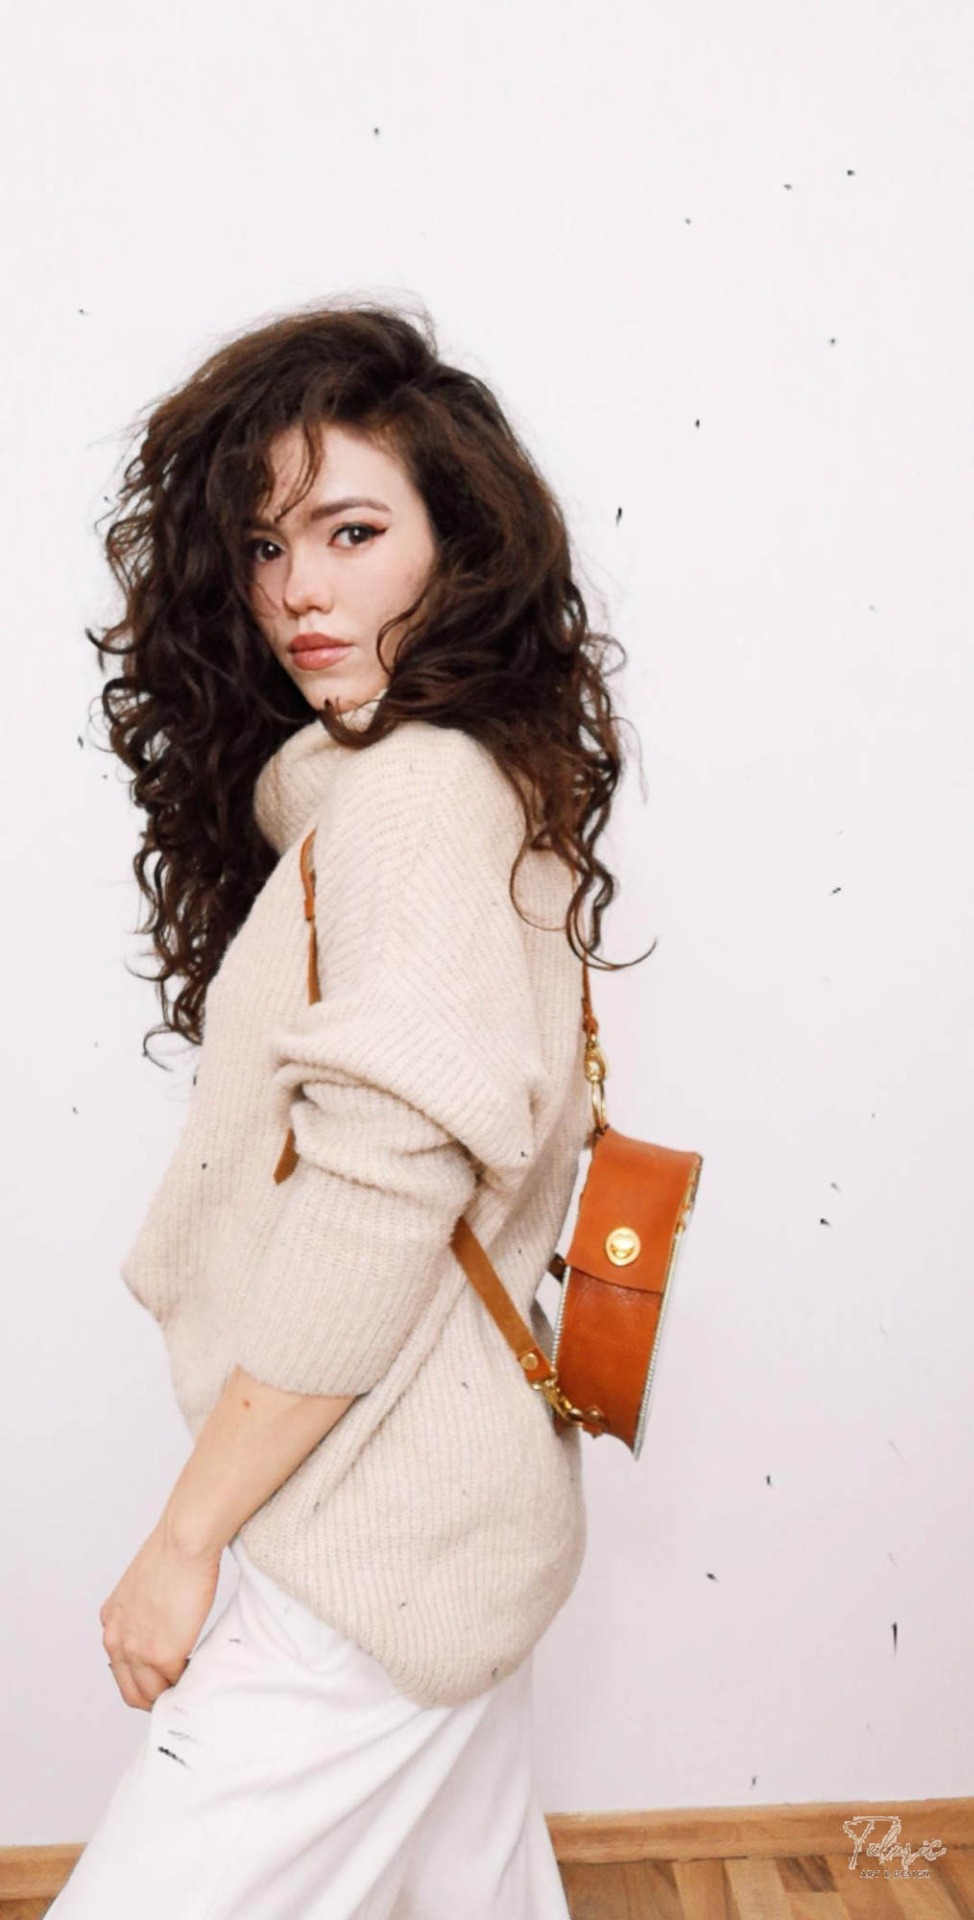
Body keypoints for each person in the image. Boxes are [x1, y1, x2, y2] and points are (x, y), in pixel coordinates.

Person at [50, 300, 640, 1918]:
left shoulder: (420, 798)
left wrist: (185, 1539)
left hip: (367, 1548)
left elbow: (381, 1198)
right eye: (262, 547)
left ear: (462, 547)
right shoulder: (448, 780)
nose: (297, 589)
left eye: (352, 532)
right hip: (452, 1509)